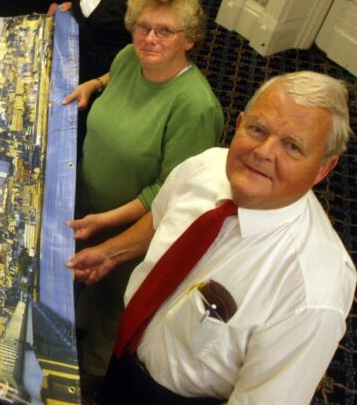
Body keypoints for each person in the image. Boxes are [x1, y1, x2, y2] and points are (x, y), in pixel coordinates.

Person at [69, 71, 355, 404]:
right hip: (126, 348)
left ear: (323, 169)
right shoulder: (206, 166)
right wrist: (112, 252)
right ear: (240, 123)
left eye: (292, 146)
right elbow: (160, 219)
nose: (264, 152)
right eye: (258, 129)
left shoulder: (312, 290)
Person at [61, 0, 223, 399]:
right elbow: (116, 74)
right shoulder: (130, 57)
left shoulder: (196, 108)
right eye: (143, 27)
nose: (150, 39)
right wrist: (95, 84)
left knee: (113, 306)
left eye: (165, 31)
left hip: (133, 231)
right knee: (82, 282)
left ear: (189, 39)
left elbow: (169, 193)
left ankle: (91, 375)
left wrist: (106, 222)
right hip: (89, 204)